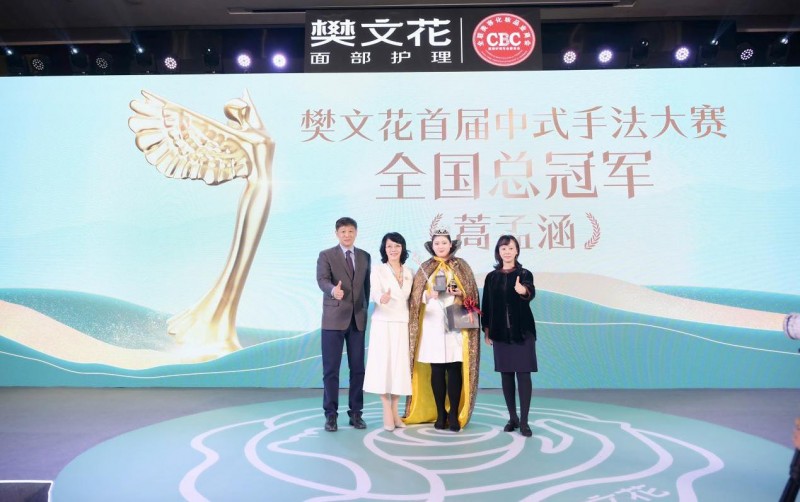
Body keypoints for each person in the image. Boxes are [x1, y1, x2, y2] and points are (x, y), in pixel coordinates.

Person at [405, 228, 480, 432]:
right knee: (436, 369)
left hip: (456, 323)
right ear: (432, 246)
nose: (440, 246)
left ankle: (454, 413)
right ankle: (440, 413)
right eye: (437, 243)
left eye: (444, 243)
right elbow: (415, 298)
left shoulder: (461, 266)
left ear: (451, 245)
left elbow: (472, 294)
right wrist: (427, 295)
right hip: (432, 324)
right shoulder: (426, 267)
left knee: (454, 368)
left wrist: (460, 293)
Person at [316, 217, 371, 432]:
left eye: (350, 231)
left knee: (358, 369)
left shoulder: (365, 256)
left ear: (356, 232)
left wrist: (364, 310)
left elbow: (366, 287)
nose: (347, 235)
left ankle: (356, 413)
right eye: (343, 232)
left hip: (357, 320)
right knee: (331, 370)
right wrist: (333, 290)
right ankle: (331, 415)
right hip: (333, 319)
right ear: (337, 234)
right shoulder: (326, 255)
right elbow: (322, 280)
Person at [481, 235, 538, 438]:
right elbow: (486, 304)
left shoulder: (524, 274)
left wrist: (523, 290)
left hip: (522, 332)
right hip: (500, 333)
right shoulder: (491, 277)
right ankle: (513, 418)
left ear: (517, 251)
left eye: (510, 248)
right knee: (506, 375)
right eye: (503, 248)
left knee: (523, 375)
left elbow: (530, 292)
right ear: (498, 252)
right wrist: (487, 330)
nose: (507, 251)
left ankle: (524, 422)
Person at [363, 232, 414, 431]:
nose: (393, 250)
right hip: (383, 323)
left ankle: (395, 409)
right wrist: (380, 298)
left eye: (397, 246)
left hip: (402, 322)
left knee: (399, 367)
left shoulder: (409, 271)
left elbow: (414, 298)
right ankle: (386, 408)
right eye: (389, 246)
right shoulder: (378, 270)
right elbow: (374, 291)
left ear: (403, 248)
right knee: (383, 365)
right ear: (384, 249)